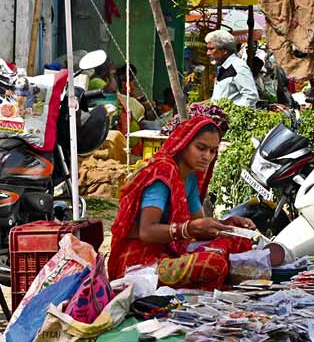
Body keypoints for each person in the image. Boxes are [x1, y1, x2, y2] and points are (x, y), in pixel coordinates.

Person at [106, 109, 281, 286]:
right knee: (213, 264)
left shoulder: (189, 177)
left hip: (169, 250)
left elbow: (199, 227)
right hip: (140, 261)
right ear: (184, 144)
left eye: (213, 151)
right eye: (201, 148)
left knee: (238, 242)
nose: (207, 157)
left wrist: (228, 225)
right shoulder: (163, 173)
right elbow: (146, 231)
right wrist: (187, 229)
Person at [205, 30, 258, 107]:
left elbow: (251, 96)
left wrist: (231, 114)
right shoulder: (221, 68)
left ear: (225, 50)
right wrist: (202, 104)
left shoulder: (238, 67)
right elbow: (219, 99)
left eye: (211, 49)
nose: (208, 53)